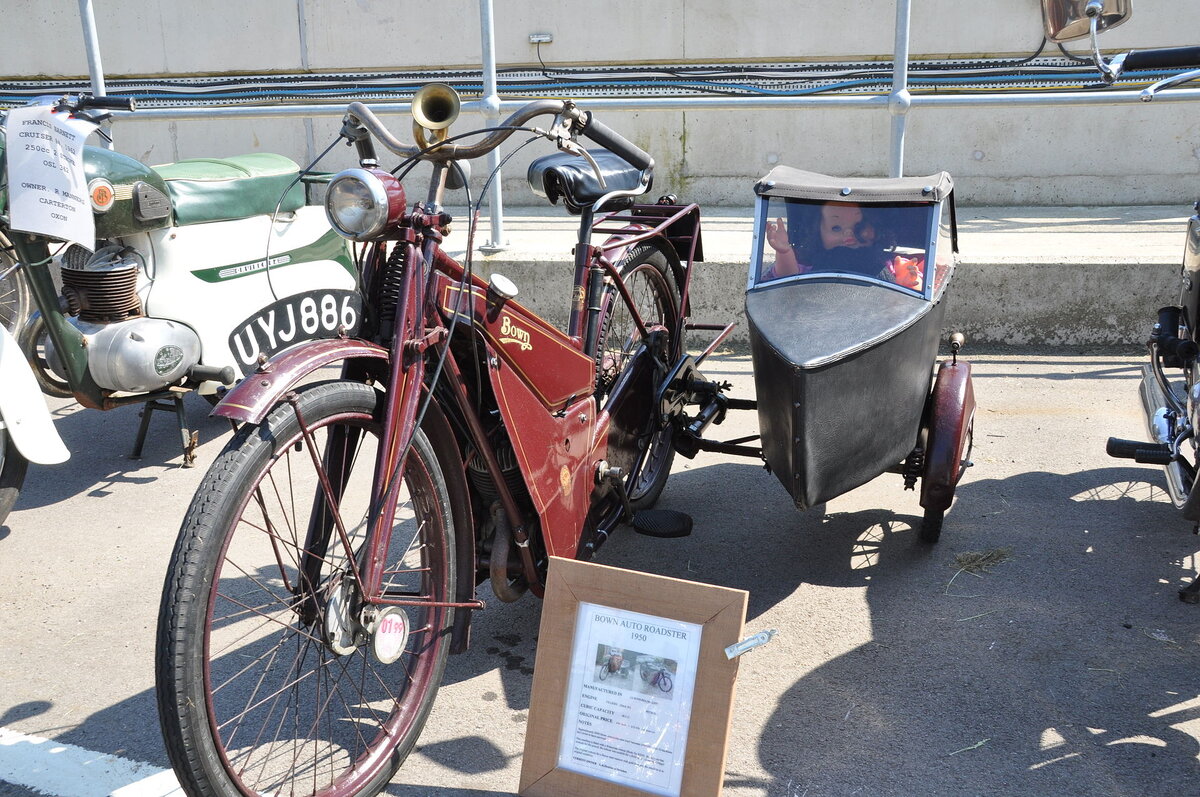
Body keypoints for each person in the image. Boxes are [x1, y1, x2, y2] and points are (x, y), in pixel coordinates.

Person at [763, 201, 923, 290]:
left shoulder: (889, 264)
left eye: (859, 225)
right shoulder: (807, 265)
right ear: (817, 232)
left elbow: (913, 297)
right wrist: (784, 251)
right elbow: (788, 281)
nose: (848, 234)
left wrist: (905, 281)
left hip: (874, 322)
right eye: (836, 228)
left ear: (876, 228)